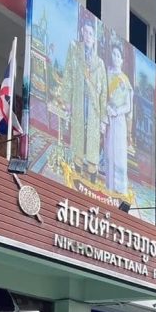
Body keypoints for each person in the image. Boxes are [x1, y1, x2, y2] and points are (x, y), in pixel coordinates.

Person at [62, 18, 107, 177]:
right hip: (79, 100)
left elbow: (104, 93)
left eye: (91, 34)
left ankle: (92, 170)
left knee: (93, 137)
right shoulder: (74, 50)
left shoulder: (99, 63)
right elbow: (68, 74)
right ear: (82, 32)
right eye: (86, 32)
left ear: (94, 38)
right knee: (78, 132)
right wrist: (67, 100)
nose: (88, 36)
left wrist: (103, 118)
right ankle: (77, 165)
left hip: (94, 106)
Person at [104, 42, 133, 195]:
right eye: (114, 54)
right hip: (108, 117)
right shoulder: (107, 74)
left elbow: (128, 106)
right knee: (109, 151)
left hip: (119, 120)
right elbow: (102, 94)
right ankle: (109, 186)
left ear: (122, 60)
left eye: (118, 55)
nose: (115, 58)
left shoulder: (125, 81)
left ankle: (120, 189)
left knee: (119, 154)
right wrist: (107, 108)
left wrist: (116, 111)